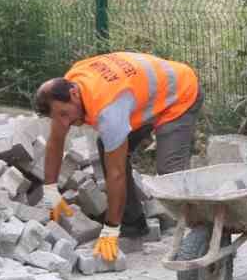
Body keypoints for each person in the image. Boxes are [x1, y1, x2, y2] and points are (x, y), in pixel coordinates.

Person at [33, 52, 202, 263]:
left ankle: (202, 230)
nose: (64, 123)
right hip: (142, 95)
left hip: (179, 93)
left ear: (74, 93)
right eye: (58, 116)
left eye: (65, 114)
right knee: (107, 145)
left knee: (169, 172)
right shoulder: (67, 88)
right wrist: (50, 190)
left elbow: (116, 174)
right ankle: (133, 224)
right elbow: (56, 140)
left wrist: (110, 230)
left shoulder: (107, 109)